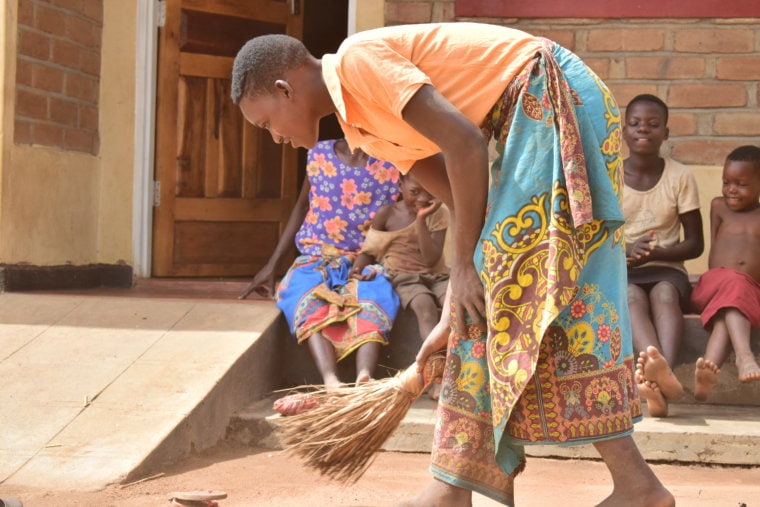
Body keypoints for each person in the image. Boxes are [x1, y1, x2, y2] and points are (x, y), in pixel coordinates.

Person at [231, 23, 674, 506]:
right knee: (508, 299)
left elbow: (465, 144)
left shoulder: (358, 62)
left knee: (503, 283)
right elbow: (464, 204)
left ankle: (455, 490)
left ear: (283, 89)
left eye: (265, 123)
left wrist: (463, 266)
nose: (274, 138)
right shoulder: (362, 128)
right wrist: (456, 299)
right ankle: (619, 487)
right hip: (530, 120)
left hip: (551, 98)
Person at [240, 138, 400, 389]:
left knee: (375, 299)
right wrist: (273, 264)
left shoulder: (393, 162)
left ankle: (364, 378)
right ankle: (330, 379)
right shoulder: (319, 153)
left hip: (366, 260)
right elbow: (302, 205)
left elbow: (401, 216)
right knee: (305, 299)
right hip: (316, 257)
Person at [621, 94, 704, 417]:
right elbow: (597, 236)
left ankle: (660, 371)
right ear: (624, 132)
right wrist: (627, 250)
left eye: (654, 124)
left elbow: (695, 243)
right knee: (629, 297)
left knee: (665, 294)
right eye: (635, 123)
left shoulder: (680, 176)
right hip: (624, 268)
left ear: (666, 133)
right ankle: (662, 380)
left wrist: (659, 253)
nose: (644, 129)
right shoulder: (611, 175)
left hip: (668, 268)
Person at [350, 172, 450, 398]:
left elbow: (430, 260)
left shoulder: (438, 214)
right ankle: (435, 378)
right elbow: (370, 250)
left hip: (437, 275)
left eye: (430, 192)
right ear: (400, 185)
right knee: (425, 307)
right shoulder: (387, 214)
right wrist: (357, 270)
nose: (423, 199)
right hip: (404, 277)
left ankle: (455, 374)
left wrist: (422, 220)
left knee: (451, 306)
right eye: (415, 192)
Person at [691, 145, 760, 401]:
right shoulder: (719, 206)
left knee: (728, 312)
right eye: (726, 182)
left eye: (741, 184)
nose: (731, 189)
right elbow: (713, 250)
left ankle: (707, 371)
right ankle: (744, 356)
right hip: (711, 286)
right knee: (733, 283)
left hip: (743, 293)